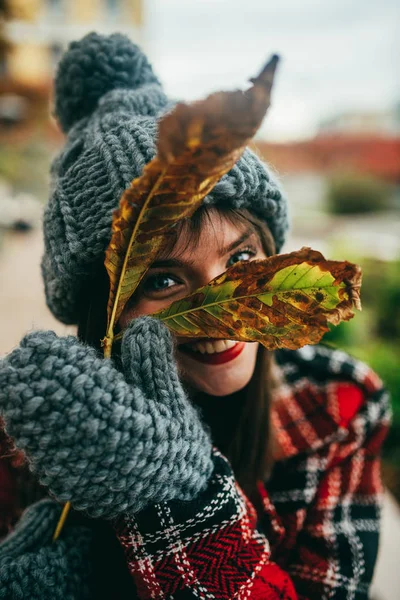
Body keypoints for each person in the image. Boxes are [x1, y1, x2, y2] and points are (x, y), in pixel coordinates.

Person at [0, 33, 391, 600]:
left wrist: (178, 493)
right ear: (102, 311)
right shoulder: (30, 428)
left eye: (241, 259)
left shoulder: (337, 405)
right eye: (163, 279)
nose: (221, 313)